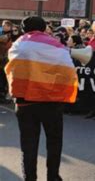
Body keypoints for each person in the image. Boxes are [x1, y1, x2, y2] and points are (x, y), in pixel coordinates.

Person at [5, 16, 78, 181]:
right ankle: (53, 176)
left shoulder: (18, 45)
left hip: (25, 103)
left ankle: (29, 178)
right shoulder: (55, 44)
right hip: (51, 102)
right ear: (44, 27)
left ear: (24, 29)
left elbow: (12, 70)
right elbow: (68, 70)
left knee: (28, 145)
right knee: (54, 141)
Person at [0, 20, 13, 103]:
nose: (3, 27)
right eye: (3, 25)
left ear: (9, 27)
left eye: (5, 25)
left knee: (4, 77)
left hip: (6, 59)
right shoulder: (3, 34)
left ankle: (5, 94)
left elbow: (3, 40)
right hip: (2, 59)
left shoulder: (10, 35)